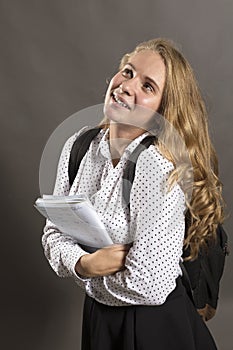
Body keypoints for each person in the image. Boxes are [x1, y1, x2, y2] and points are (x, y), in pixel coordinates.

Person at [42, 38, 224, 350]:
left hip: (154, 326)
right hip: (100, 318)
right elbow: (53, 234)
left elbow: (150, 286)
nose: (127, 86)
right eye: (127, 72)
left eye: (148, 86)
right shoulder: (78, 146)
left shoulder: (157, 165)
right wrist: (86, 265)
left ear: (163, 110)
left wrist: (87, 277)